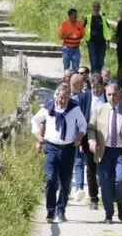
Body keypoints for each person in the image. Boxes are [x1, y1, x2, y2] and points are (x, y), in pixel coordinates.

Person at [31, 83, 87, 223]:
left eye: (66, 98)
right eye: (61, 97)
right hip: (51, 147)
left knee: (65, 181)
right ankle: (50, 211)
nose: (63, 101)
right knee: (51, 178)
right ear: (56, 96)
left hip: (68, 148)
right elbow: (35, 120)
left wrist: (79, 136)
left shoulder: (74, 108)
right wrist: (38, 135)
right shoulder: (49, 107)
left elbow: (83, 124)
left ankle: (61, 210)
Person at [88, 83, 122, 223]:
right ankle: (109, 214)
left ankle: (121, 201)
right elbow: (91, 128)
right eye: (109, 95)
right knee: (105, 184)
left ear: (120, 95)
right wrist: (92, 140)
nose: (111, 97)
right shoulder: (99, 109)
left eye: (114, 94)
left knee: (121, 179)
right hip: (104, 152)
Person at [74, 73, 106, 209]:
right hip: (88, 136)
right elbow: (79, 119)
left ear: (103, 86)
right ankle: (94, 198)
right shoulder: (84, 97)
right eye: (93, 87)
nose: (95, 90)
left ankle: (109, 195)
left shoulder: (109, 96)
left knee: (105, 167)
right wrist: (80, 140)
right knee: (90, 169)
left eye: (98, 87)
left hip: (106, 137)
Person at [83, 1, 113, 73]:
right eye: (94, 6)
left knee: (101, 62)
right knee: (94, 61)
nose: (96, 8)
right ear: (92, 7)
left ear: (100, 8)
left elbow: (107, 30)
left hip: (102, 43)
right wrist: (86, 39)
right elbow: (82, 28)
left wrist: (108, 41)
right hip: (92, 42)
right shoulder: (87, 18)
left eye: (97, 7)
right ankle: (94, 77)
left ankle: (98, 76)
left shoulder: (103, 18)